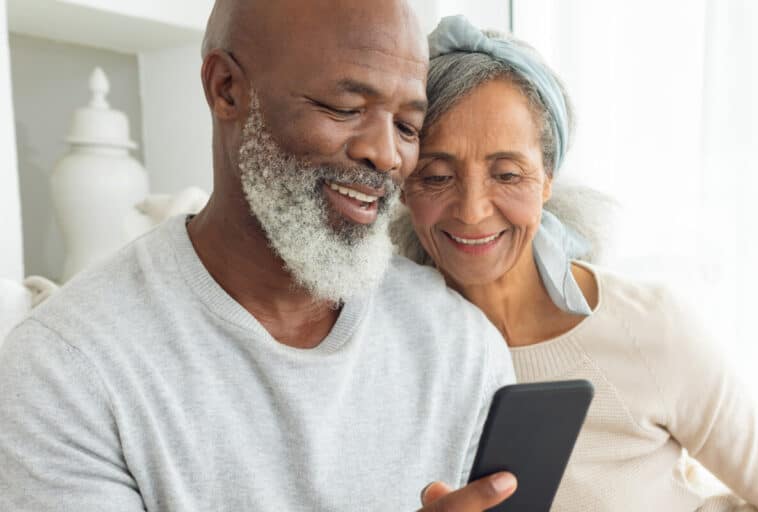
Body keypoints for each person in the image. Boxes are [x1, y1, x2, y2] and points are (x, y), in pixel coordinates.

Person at [0, 2, 520, 511]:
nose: (386, 155)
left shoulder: (459, 349)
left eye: (407, 127)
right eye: (345, 109)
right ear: (226, 88)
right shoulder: (67, 369)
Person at [398, 16, 758, 511]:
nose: (472, 210)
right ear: (403, 185)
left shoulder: (650, 327)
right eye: (436, 176)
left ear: (548, 178)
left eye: (507, 174)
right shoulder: (386, 353)